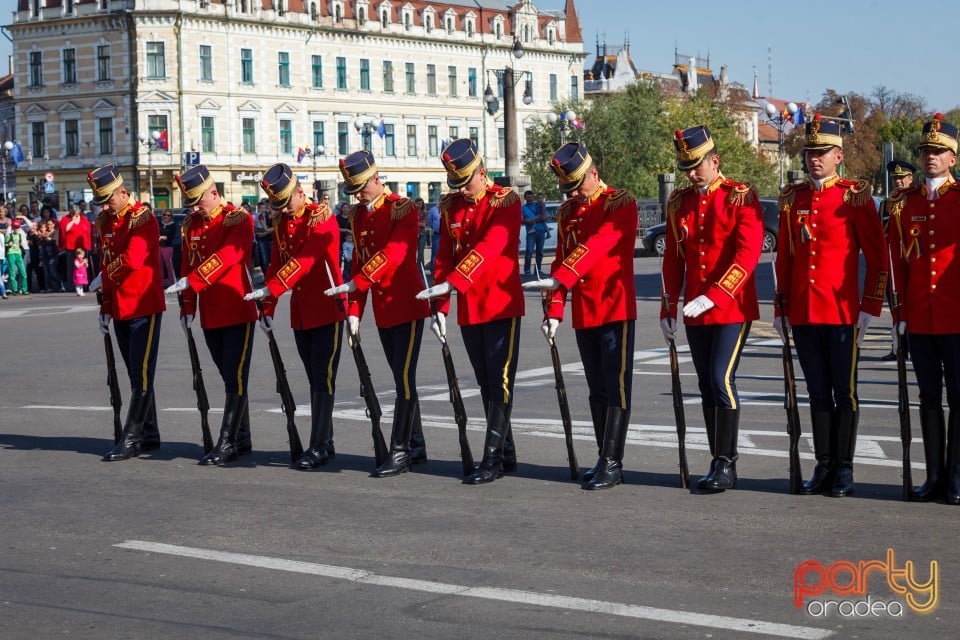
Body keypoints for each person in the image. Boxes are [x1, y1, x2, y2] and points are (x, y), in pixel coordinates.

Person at [774, 113, 887, 498]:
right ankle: (823, 465)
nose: (814, 158)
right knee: (817, 392)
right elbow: (784, 259)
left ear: (839, 155)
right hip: (805, 313)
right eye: (809, 152)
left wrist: (870, 306)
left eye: (822, 152)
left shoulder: (854, 196)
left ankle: (844, 468)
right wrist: (781, 309)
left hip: (842, 314)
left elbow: (878, 257)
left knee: (845, 392)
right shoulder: (793, 199)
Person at [523, 142, 638, 490]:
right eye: (567, 188)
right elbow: (560, 257)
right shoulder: (568, 212)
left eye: (577, 185)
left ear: (594, 173)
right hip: (585, 310)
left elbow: (600, 244)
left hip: (615, 306)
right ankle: (603, 455)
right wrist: (554, 309)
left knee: (617, 390)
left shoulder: (619, 202)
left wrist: (562, 277)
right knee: (596, 390)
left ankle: (613, 462)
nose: (573, 193)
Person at [658, 126, 764, 492]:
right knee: (705, 385)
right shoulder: (679, 202)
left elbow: (747, 255)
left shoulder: (740, 196)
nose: (691, 172)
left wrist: (716, 294)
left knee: (721, 379)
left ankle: (727, 463)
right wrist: (669, 307)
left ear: (714, 161)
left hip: (731, 306)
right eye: (686, 166)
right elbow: (673, 260)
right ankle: (715, 459)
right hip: (694, 310)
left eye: (697, 164)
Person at [416, 138, 524, 485]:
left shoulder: (505, 200)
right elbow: (444, 254)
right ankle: (506, 451)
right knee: (485, 383)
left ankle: (491, 457)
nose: (461, 189)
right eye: (456, 183)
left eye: (465, 181)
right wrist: (441, 306)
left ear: (481, 171)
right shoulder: (451, 206)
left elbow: (492, 245)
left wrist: (453, 283)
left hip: (500, 303)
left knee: (500, 381)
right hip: (468, 307)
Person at [324, 150, 432, 477]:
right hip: (384, 311)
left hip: (407, 305)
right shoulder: (358, 216)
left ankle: (399, 450)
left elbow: (395, 253)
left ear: (376, 177)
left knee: (403, 380)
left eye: (361, 187)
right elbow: (359, 259)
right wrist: (355, 310)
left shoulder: (403, 208)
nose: (357, 194)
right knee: (400, 375)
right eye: (353, 189)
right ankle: (416, 442)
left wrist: (357, 282)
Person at [245, 163, 345, 470]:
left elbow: (304, 261)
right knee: (314, 378)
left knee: (323, 381)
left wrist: (272, 288)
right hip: (301, 313)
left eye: (287, 202)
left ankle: (317, 446)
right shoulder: (281, 223)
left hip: (329, 309)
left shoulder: (321, 219)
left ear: (300, 192)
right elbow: (276, 263)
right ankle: (324, 441)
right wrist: (268, 306)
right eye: (278, 204)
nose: (284, 209)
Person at [887, 114, 960, 503]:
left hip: (957, 319)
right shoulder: (904, 203)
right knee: (929, 398)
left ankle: (956, 477)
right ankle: (934, 475)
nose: (929, 157)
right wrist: (899, 316)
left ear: (952, 158)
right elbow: (897, 265)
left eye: (937, 151)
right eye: (925, 151)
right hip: (920, 318)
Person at [166, 165, 259, 465]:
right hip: (210, 314)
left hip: (237, 310)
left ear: (214, 193)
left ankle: (228, 441)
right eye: (190, 202)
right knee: (228, 377)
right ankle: (242, 437)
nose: (194, 207)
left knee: (236, 379)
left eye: (198, 201)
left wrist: (194, 281)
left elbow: (230, 255)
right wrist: (187, 307)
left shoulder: (238, 219)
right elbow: (186, 268)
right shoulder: (192, 225)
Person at [86, 164, 166, 461]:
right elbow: (106, 257)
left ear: (123, 191)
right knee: (136, 373)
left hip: (144, 305)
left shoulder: (143, 219)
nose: (105, 206)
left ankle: (131, 438)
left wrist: (103, 278)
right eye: (102, 201)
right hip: (120, 306)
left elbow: (132, 259)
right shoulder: (106, 221)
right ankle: (150, 433)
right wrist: (106, 306)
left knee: (141, 375)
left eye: (109, 199)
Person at [878, 160, 916, 361]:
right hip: (892, 264)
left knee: (914, 306)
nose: (898, 182)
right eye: (895, 178)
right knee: (895, 306)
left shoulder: (916, 201)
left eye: (902, 178)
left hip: (913, 261)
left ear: (911, 178)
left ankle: (915, 346)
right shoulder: (886, 205)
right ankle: (898, 347)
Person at [58, 202, 91, 293]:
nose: (75, 214)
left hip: (82, 247)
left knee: (83, 267)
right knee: (71, 267)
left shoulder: (84, 219)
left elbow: (88, 232)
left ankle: (83, 285)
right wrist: (72, 221)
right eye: (73, 213)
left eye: (77, 213)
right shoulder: (66, 219)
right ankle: (71, 286)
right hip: (70, 247)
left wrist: (88, 246)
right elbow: (64, 230)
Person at [521, 189, 548, 275]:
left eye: (531, 197)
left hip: (541, 231)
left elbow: (546, 215)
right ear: (525, 198)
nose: (530, 199)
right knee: (529, 251)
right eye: (528, 197)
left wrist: (542, 218)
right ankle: (527, 270)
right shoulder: (523, 208)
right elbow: (520, 220)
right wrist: (526, 221)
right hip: (531, 233)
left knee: (539, 252)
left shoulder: (538, 205)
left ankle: (538, 270)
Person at [4, 219, 28, 295]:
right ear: (12, 228)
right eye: (15, 227)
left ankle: (24, 289)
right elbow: (4, 245)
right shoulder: (9, 236)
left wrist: (22, 245)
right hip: (11, 253)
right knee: (12, 272)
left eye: (18, 227)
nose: (16, 229)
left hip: (18, 254)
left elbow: (20, 244)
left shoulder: (20, 235)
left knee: (23, 272)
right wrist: (8, 244)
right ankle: (14, 290)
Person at [158, 209, 179, 288]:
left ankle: (172, 283)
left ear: (171, 217)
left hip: (168, 247)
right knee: (160, 266)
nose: (166, 216)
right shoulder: (159, 223)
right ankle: (161, 283)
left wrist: (162, 237)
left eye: (168, 215)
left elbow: (171, 236)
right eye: (165, 215)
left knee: (169, 266)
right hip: (159, 247)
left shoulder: (173, 225)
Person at [426, 200, 441, 270]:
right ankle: (433, 271)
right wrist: (435, 228)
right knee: (435, 253)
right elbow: (429, 221)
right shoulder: (433, 210)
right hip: (437, 235)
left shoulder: (449, 208)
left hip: (447, 235)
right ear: (439, 200)